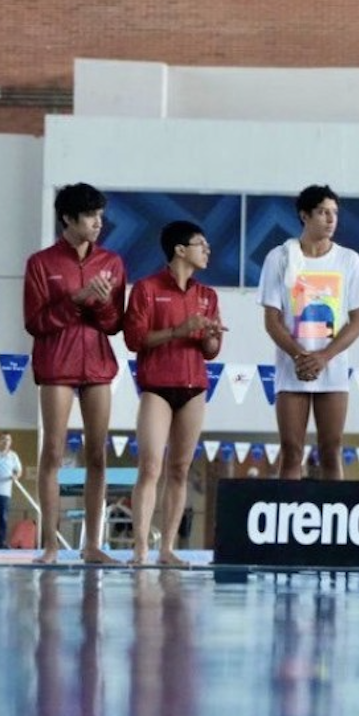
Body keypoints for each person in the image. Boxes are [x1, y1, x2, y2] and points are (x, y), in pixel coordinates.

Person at [25, 182, 126, 564]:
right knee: (53, 451)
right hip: (56, 364)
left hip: (98, 364)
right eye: (90, 216)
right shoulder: (41, 263)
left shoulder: (112, 263)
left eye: (100, 216)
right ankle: (50, 545)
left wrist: (98, 305)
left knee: (97, 453)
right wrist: (77, 300)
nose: (98, 223)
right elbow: (35, 323)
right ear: (68, 218)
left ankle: (92, 544)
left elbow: (115, 322)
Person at [123, 221, 226, 565]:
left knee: (180, 469)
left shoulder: (207, 296)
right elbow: (134, 339)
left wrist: (210, 334)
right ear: (180, 250)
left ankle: (167, 549)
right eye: (201, 244)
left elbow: (211, 351)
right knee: (150, 466)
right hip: (156, 387)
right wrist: (180, 330)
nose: (207, 250)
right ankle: (140, 547)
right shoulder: (147, 289)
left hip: (194, 387)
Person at [259, 185, 359, 480]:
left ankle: (335, 518)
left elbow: (357, 321)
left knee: (331, 449)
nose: (331, 219)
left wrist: (324, 356)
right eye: (322, 212)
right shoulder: (279, 258)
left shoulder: (349, 260)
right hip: (292, 365)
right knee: (292, 450)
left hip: (332, 367)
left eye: (334, 213)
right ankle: (289, 516)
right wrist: (299, 355)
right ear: (304, 216)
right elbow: (272, 319)